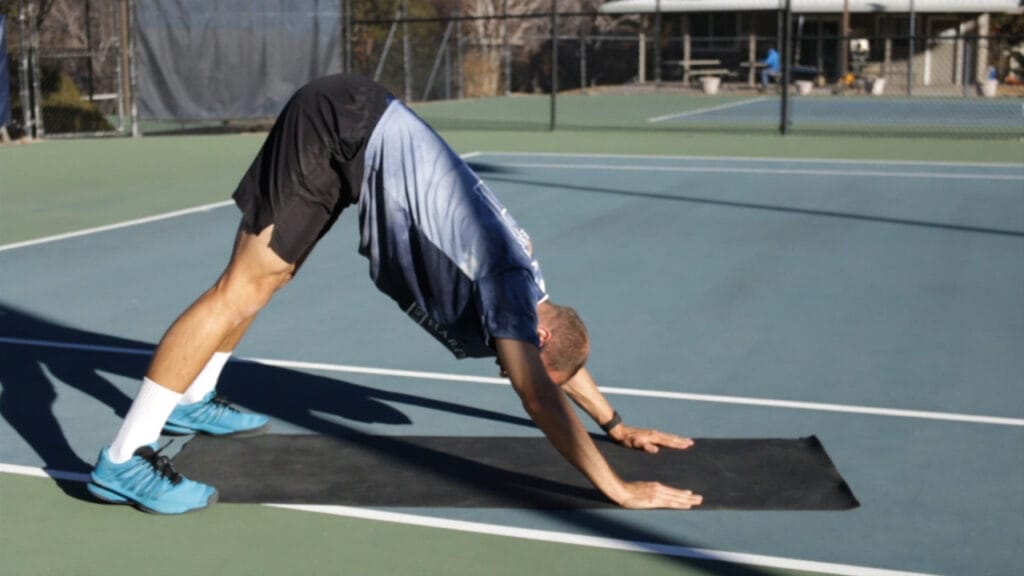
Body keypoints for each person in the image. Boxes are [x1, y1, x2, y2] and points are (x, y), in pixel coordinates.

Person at [87, 74, 703, 514]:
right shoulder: (510, 287)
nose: (505, 365)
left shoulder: (532, 288)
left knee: (272, 278)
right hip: (340, 123)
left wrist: (615, 423)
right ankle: (124, 458)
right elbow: (540, 390)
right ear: (538, 332)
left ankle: (193, 397)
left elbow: (556, 363)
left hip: (356, 127)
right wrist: (617, 487)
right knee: (239, 290)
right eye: (515, 357)